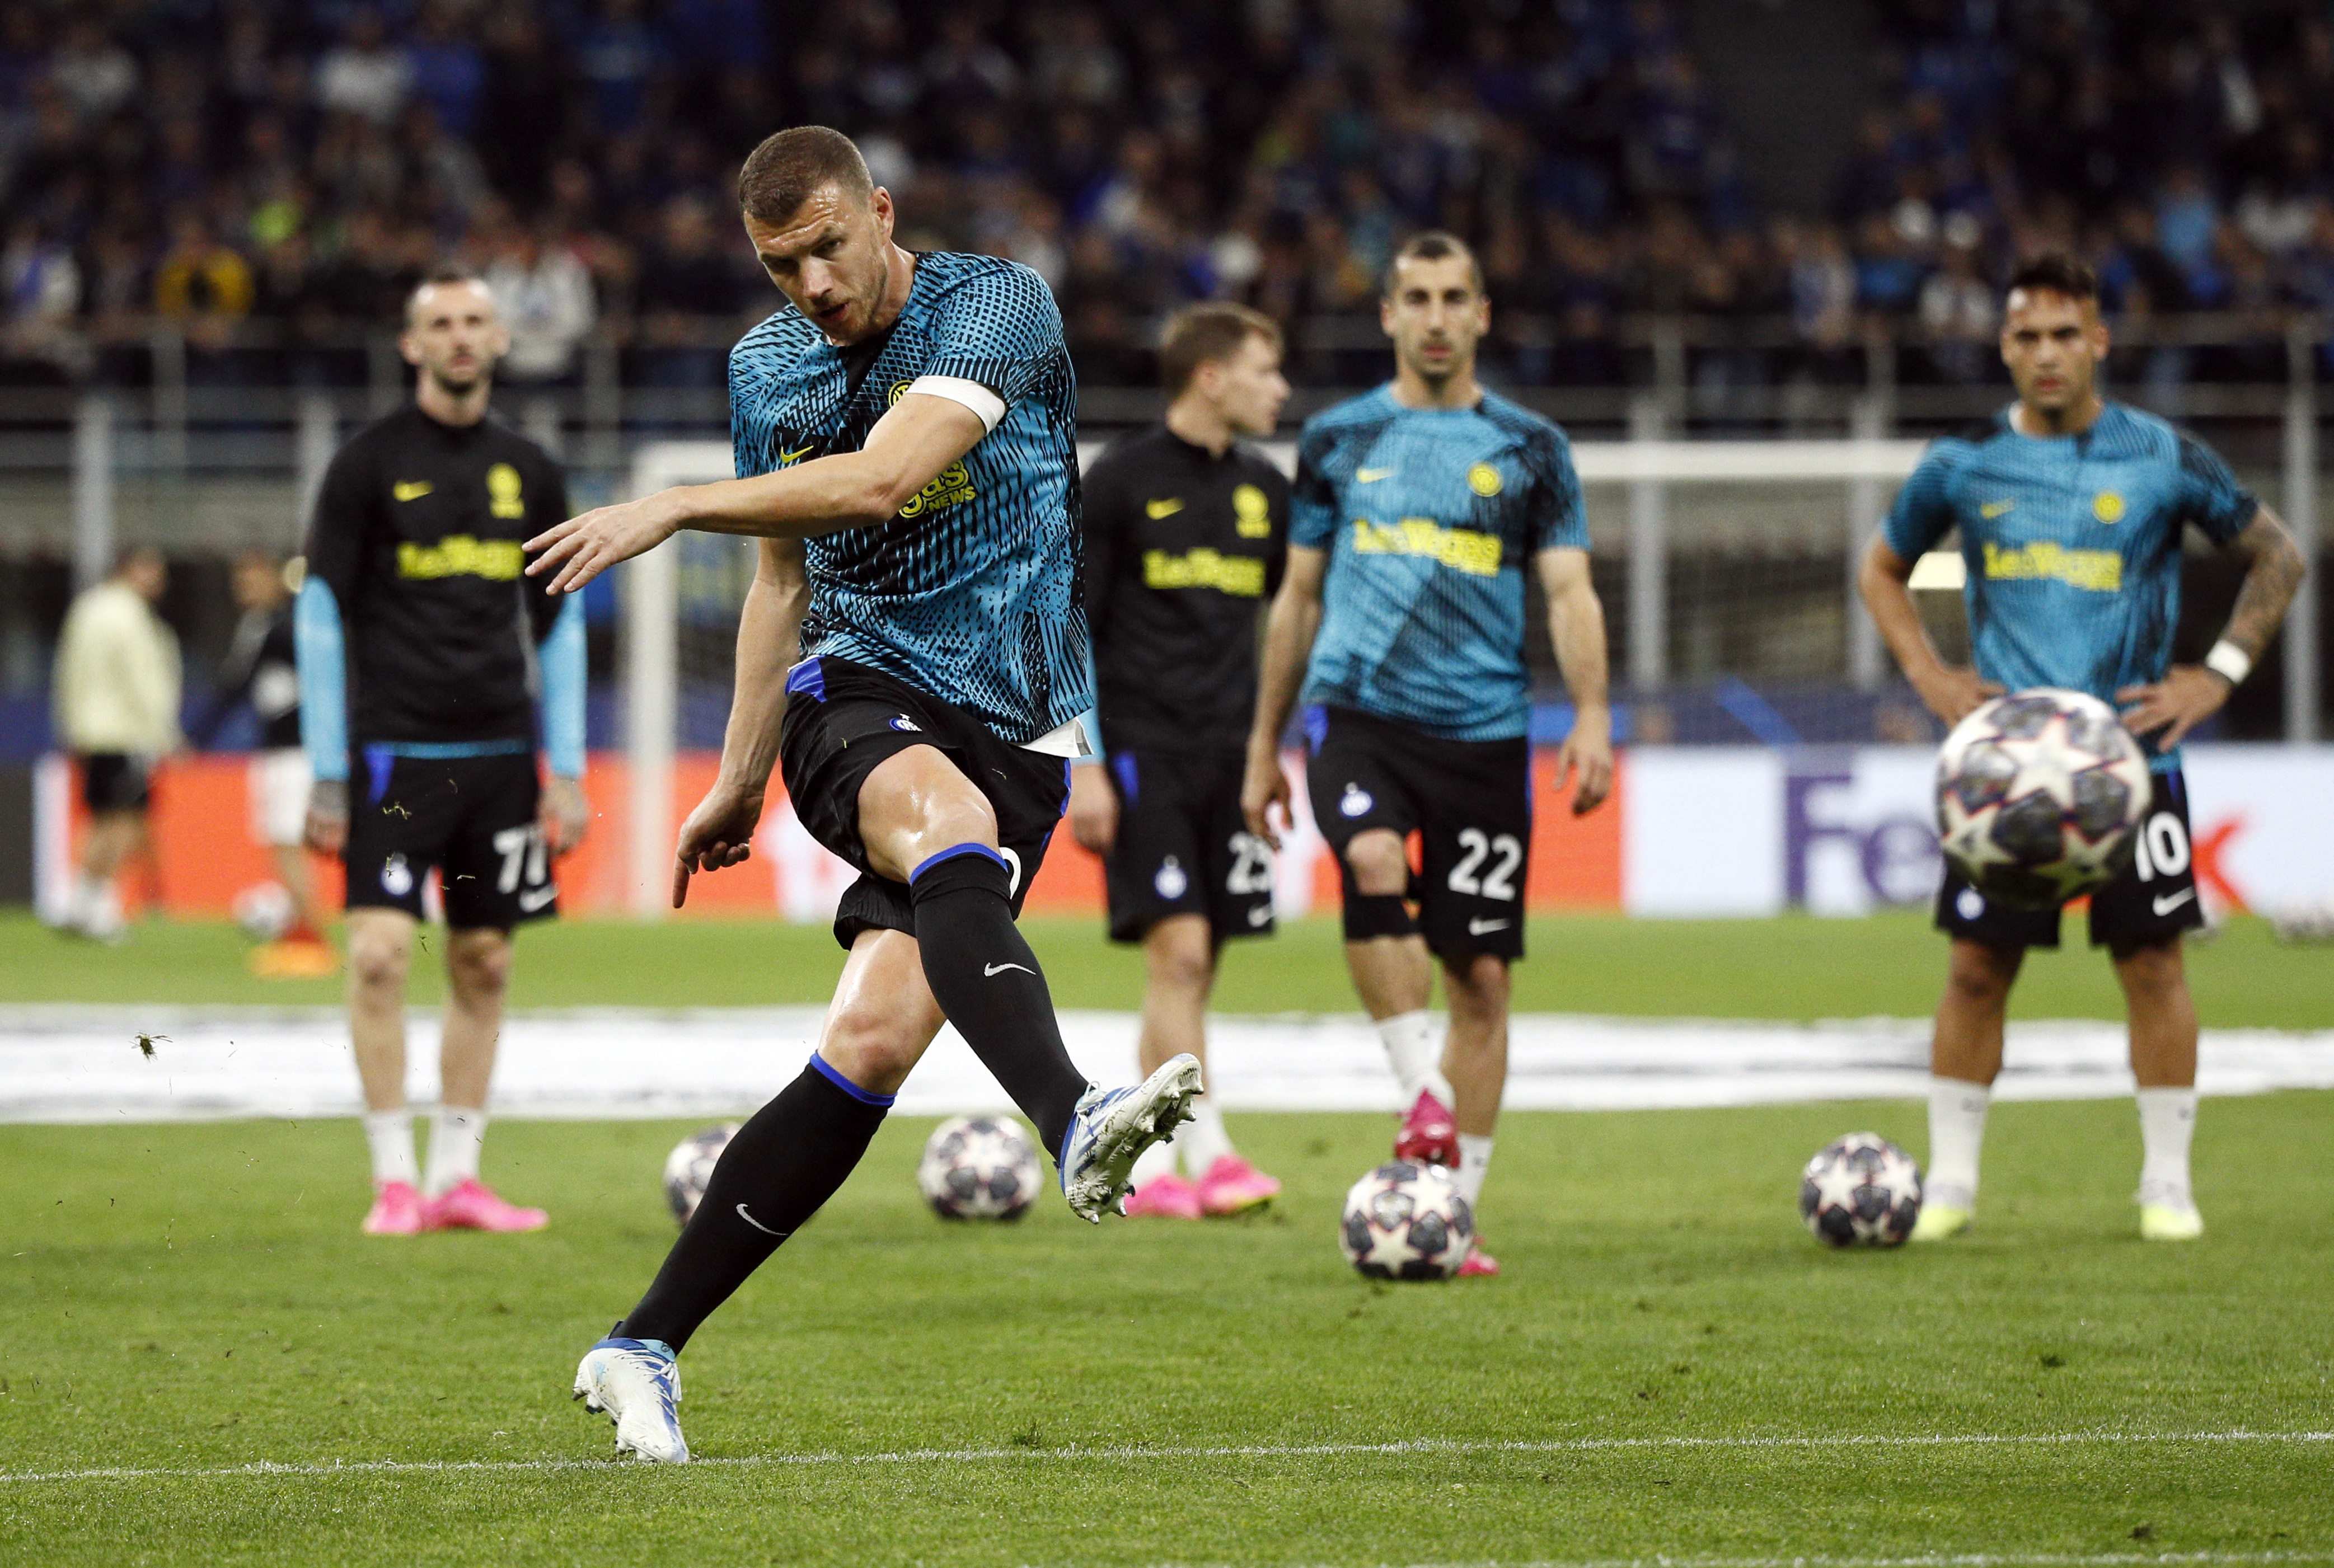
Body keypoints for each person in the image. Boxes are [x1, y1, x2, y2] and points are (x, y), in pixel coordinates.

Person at [526, 125, 1203, 1464]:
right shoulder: (765, 370)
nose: (812, 286)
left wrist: (670, 505)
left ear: (879, 213)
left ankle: (638, 1343)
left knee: (872, 1048)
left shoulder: (995, 306)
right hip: (859, 693)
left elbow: (889, 474)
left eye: (828, 247)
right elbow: (782, 587)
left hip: (1017, 725)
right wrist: (734, 776)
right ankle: (1073, 1120)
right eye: (781, 265)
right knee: (943, 829)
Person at [1860, 253, 2306, 1245]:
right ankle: (1952, 1189)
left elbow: (2279, 553)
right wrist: (1932, 678)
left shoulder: (2161, 455)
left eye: (2067, 334)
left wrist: (2219, 673)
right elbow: (1882, 567)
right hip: (2005, 778)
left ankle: (2167, 1185)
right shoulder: (1963, 461)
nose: (2048, 354)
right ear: (2004, 346)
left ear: (2099, 340)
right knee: (1976, 967)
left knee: (2152, 964)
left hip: (2134, 764)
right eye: (2028, 335)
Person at [1241, 233, 1615, 1279]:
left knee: (1482, 979)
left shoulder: (1534, 446)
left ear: (1483, 315)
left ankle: (1451, 1210)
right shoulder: (1338, 438)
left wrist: (1591, 715)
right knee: (1368, 862)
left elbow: (1570, 590)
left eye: (1457, 298)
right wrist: (1264, 743)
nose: (1439, 315)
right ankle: (1426, 1104)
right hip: (1359, 714)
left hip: (1487, 733)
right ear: (1389, 314)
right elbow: (1299, 595)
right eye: (1419, 297)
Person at [296, 270, 588, 1239]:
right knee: (380, 955)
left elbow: (559, 627)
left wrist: (572, 768)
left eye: (474, 322)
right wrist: (330, 766)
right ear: (412, 344)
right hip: (393, 753)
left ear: (500, 340)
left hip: (502, 752)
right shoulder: (366, 464)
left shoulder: (530, 469)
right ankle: (393, 1180)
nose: (460, 338)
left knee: (485, 960)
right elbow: (323, 613)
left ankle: (459, 1176)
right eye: (440, 324)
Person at [1068, 303, 1292, 1220]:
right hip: (1141, 752)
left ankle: (1153, 1167)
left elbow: (1282, 628)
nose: (1279, 388)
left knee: (1201, 964)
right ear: (1212, 375)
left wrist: (1273, 747)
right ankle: (1209, 1152)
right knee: (1181, 951)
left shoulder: (1267, 491)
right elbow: (1070, 623)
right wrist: (1084, 761)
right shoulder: (1121, 481)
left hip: (1230, 759)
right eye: (1265, 369)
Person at [189, 549, 334, 978]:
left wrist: (195, 738)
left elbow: (234, 686)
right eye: (240, 582)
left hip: (294, 754)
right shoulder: (268, 627)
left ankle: (314, 942)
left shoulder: (282, 628)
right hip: (280, 751)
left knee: (288, 845)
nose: (245, 590)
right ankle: (298, 935)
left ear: (274, 579)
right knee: (281, 844)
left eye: (252, 580)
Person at [50, 547, 180, 942]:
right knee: (124, 821)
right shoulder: (129, 615)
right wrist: (164, 732)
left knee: (103, 819)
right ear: (129, 570)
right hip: (124, 731)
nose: (158, 581)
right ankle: (100, 906)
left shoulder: (87, 608)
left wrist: (71, 725)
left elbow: (67, 671)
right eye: (150, 570)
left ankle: (80, 902)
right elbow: (142, 679)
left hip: (91, 731)